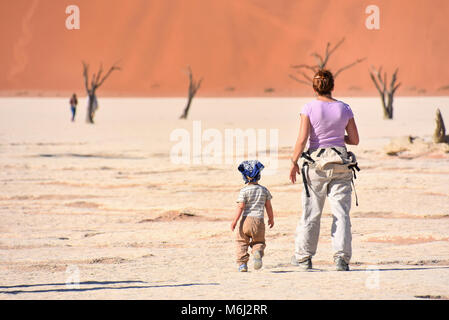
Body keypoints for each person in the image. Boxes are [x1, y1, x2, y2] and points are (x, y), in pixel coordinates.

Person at [289, 69, 360, 271]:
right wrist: (338, 138)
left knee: (311, 212)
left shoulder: (309, 108)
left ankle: (303, 257)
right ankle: (341, 259)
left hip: (315, 165)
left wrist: (293, 162)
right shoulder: (344, 108)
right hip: (341, 163)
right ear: (332, 86)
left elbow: (302, 139)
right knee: (341, 213)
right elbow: (354, 140)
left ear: (314, 87)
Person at [231, 160, 274, 272]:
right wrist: (271, 219)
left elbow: (240, 207)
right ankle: (257, 252)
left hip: (245, 220)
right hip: (259, 221)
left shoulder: (244, 191)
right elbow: (268, 206)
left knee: (241, 242)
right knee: (259, 241)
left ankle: (242, 264)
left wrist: (234, 221)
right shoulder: (264, 190)